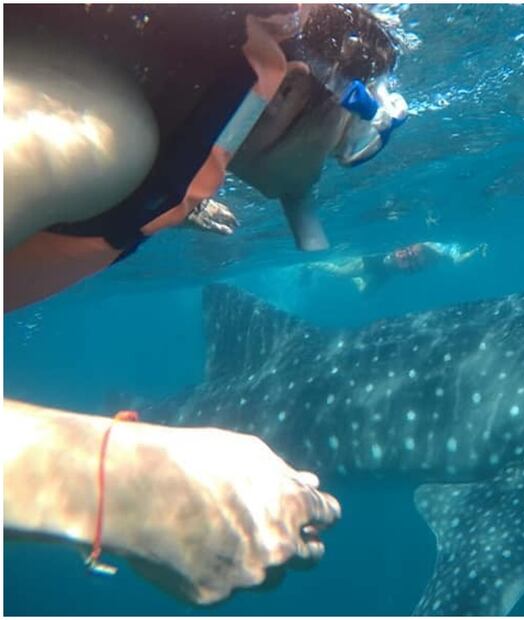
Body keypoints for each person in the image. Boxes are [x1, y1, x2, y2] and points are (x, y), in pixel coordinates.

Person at [3, 4, 404, 605]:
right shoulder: (100, 130)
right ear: (291, 89)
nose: (334, 167)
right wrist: (124, 486)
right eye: (351, 138)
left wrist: (169, 207)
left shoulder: (119, 122)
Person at [309, 241, 489, 292]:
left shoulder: (445, 252)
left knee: (364, 293)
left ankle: (359, 279)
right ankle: (312, 264)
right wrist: (475, 251)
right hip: (377, 261)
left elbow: (458, 259)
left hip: (388, 273)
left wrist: (474, 251)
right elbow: (458, 259)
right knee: (341, 273)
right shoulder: (434, 247)